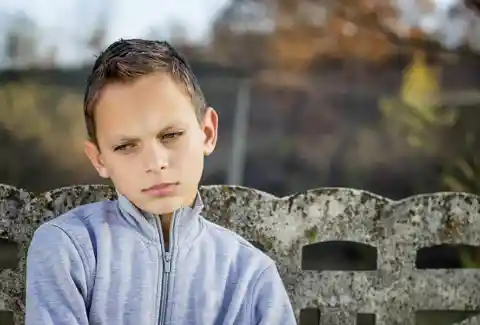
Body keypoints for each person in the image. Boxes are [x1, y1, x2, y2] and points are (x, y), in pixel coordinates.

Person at [25, 38, 297, 325]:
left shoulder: (250, 274)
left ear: (207, 133)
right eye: (126, 146)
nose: (155, 163)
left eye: (170, 135)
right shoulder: (68, 249)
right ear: (99, 159)